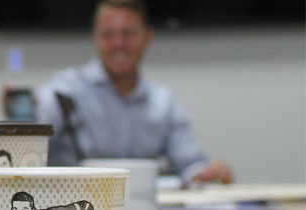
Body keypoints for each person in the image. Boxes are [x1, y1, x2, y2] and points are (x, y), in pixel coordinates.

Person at [33, 0, 233, 184]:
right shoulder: (64, 91)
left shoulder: (164, 102)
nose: (118, 43)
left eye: (128, 33)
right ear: (95, 38)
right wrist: (21, 111)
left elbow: (190, 164)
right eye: (108, 34)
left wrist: (206, 175)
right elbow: (33, 133)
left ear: (147, 37)